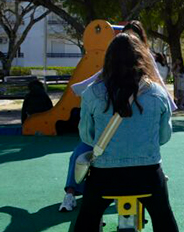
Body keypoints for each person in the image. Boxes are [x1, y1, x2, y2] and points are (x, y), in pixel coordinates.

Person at [62, 21, 177, 212]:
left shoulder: (93, 93)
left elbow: (86, 136)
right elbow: (164, 137)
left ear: (109, 59)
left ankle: (71, 194)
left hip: (105, 175)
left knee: (86, 221)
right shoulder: (157, 93)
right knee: (164, 218)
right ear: (141, 57)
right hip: (147, 174)